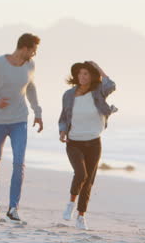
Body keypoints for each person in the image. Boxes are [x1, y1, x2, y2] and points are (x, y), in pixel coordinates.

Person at [58, 61, 117, 230]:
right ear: (76, 76)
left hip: (94, 142)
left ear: (92, 76)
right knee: (81, 174)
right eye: (80, 74)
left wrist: (98, 68)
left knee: (89, 181)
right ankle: (70, 204)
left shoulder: (98, 92)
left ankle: (81, 216)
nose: (83, 77)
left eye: (86, 74)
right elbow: (63, 117)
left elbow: (111, 84)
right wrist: (62, 131)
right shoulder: (68, 95)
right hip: (74, 142)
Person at [0, 33, 43, 223]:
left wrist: (37, 112)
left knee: (18, 163)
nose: (34, 54)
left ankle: (13, 207)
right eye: (33, 50)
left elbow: (30, 87)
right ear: (25, 48)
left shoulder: (30, 66)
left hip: (19, 120)